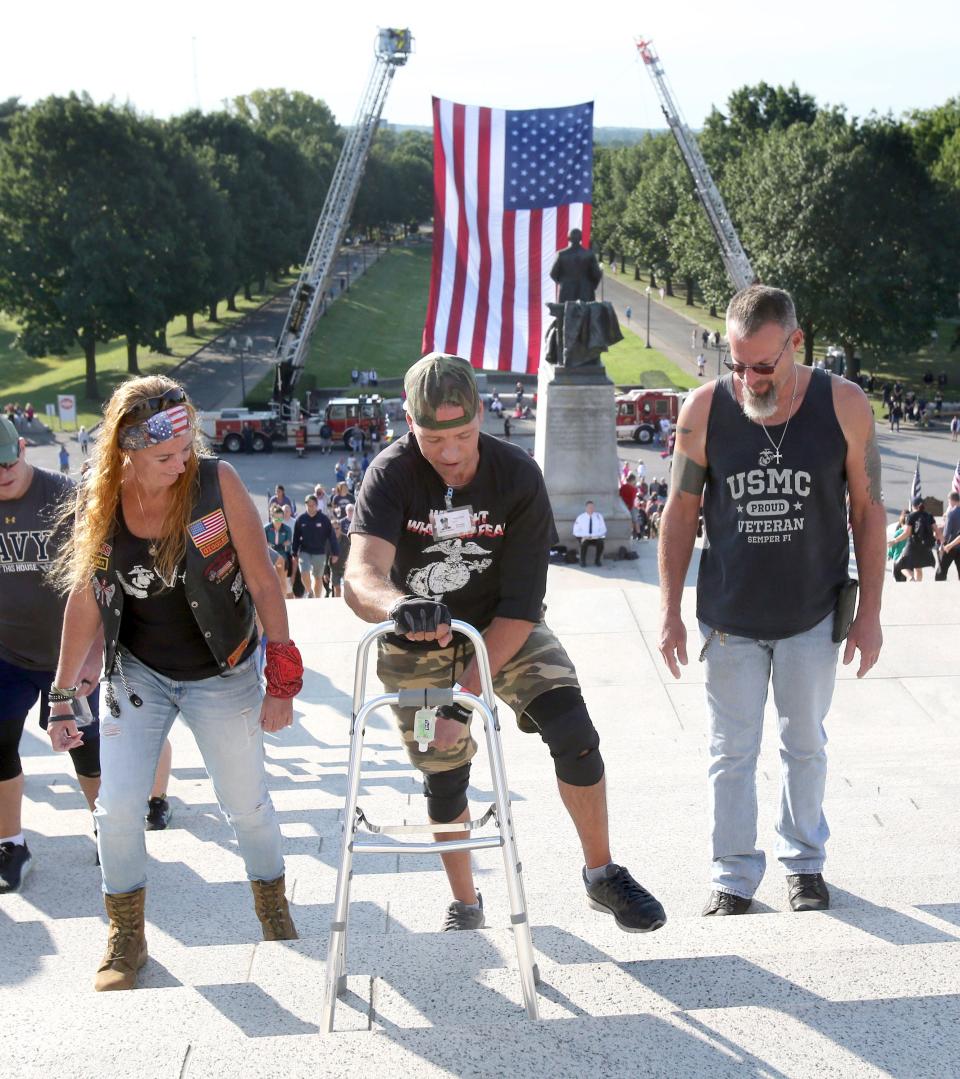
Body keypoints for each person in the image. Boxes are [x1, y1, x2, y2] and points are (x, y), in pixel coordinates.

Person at [344, 353, 665, 934]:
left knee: (574, 731)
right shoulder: (391, 472)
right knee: (444, 773)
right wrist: (397, 605)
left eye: (463, 436)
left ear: (482, 418)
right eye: (432, 438)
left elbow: (521, 610)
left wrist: (461, 699)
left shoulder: (515, 474)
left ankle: (602, 873)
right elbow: (360, 575)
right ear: (409, 423)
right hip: (416, 643)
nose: (449, 454)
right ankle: (466, 902)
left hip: (502, 629)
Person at [45, 375, 302, 991]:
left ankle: (273, 912)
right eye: (166, 457)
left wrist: (282, 674)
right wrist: (60, 695)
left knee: (246, 805)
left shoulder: (217, 483)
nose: (182, 463)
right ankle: (126, 936)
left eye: (186, 449)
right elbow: (85, 596)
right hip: (139, 670)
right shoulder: (100, 498)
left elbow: (264, 579)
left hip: (223, 667)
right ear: (126, 450)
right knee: (118, 807)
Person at [658, 284, 885, 917]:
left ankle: (804, 865)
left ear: (795, 344)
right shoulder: (702, 411)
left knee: (804, 743)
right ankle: (732, 876)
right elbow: (679, 514)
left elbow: (868, 511)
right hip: (727, 617)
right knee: (730, 750)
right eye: (736, 364)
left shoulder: (844, 404)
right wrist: (669, 610)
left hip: (812, 612)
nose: (749, 378)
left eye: (763, 364)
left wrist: (869, 615)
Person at [0, 417, 102, 893]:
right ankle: (11, 843)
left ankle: (107, 829)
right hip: (8, 654)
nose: (3, 471)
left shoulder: (64, 496)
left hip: (69, 654)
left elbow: (98, 582)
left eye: (9, 460)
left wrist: (93, 655)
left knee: (87, 747)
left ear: (23, 448)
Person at [291, 494, 339, 598]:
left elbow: (332, 537)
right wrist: (294, 552)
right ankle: (309, 591)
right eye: (308, 505)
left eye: (312, 505)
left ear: (316, 505)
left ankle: (317, 598)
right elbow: (296, 537)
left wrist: (335, 553)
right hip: (305, 551)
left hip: (319, 552)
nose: (310, 507)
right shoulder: (301, 519)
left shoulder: (324, 519)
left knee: (318, 577)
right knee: (304, 571)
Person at [893, 496, 940, 582]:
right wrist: (942, 542)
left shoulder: (911, 516)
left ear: (913, 506)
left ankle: (911, 578)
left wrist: (895, 540)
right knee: (918, 567)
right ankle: (918, 585)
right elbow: (937, 531)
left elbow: (907, 533)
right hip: (925, 545)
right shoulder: (929, 516)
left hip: (912, 545)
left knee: (901, 565)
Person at [549, 228, 602, 303]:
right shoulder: (589, 254)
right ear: (581, 238)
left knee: (565, 314)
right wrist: (592, 287)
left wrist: (563, 283)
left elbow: (553, 274)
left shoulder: (561, 254)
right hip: (586, 293)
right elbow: (597, 274)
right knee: (585, 314)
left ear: (568, 238)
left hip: (566, 292)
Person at [265, 506, 294, 598]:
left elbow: (288, 545)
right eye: (276, 518)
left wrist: (287, 544)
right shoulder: (266, 528)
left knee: (282, 579)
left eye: (281, 518)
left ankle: (283, 599)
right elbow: (264, 543)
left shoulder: (287, 529)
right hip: (269, 554)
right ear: (272, 517)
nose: (278, 521)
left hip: (283, 554)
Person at [329, 504, 353, 598]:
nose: (335, 531)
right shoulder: (328, 540)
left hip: (345, 567)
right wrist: (325, 572)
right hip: (334, 568)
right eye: (333, 529)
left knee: (348, 589)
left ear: (340, 528)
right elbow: (326, 555)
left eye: (337, 528)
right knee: (337, 587)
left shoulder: (346, 539)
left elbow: (352, 551)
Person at [573, 501, 607, 566]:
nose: (591, 509)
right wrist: (585, 536)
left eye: (592, 507)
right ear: (586, 508)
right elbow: (575, 531)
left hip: (596, 537)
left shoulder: (599, 516)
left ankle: (597, 560)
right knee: (584, 543)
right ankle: (582, 561)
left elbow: (603, 529)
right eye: (589, 507)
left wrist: (595, 535)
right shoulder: (580, 517)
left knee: (601, 542)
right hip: (584, 537)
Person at [935, 491, 960, 580]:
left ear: (952, 500)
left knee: (942, 571)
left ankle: (939, 590)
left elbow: (946, 533)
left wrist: (942, 545)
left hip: (950, 547)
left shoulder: (951, 513)